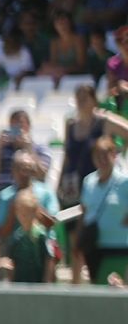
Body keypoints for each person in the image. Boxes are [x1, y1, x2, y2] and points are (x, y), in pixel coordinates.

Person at [59, 84, 105, 276]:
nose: (81, 101)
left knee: (93, 233)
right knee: (74, 238)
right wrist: (59, 183)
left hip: (96, 186)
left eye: (85, 97)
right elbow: (67, 156)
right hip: (72, 186)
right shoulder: (70, 124)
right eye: (78, 97)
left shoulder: (103, 122)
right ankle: (76, 282)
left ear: (94, 99)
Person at [80, 135, 128, 283]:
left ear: (113, 155)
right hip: (94, 247)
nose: (101, 160)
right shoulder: (88, 181)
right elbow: (84, 211)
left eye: (105, 155)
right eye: (97, 156)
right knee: (98, 292)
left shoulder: (124, 182)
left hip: (119, 247)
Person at [0, 150, 61, 247]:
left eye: (29, 169)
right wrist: (13, 209)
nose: (25, 174)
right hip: (15, 250)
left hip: (42, 246)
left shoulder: (46, 192)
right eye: (22, 169)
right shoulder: (5, 196)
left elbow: (52, 223)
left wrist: (33, 206)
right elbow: (1, 233)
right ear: (13, 171)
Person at [0, 110, 52, 210]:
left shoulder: (40, 149)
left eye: (21, 125)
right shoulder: (2, 150)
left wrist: (29, 148)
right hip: (4, 196)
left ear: (29, 127)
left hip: (30, 196)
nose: (18, 129)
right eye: (14, 126)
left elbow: (42, 175)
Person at [6, 190, 58, 282]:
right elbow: (12, 262)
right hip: (20, 283)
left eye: (27, 214)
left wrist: (46, 283)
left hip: (37, 284)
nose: (23, 217)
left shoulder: (40, 236)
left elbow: (49, 260)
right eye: (21, 213)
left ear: (34, 213)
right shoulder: (17, 237)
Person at [38, 12, 89, 83]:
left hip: (76, 76)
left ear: (70, 23)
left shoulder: (79, 40)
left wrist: (65, 70)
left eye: (64, 22)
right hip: (60, 74)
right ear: (54, 26)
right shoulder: (54, 42)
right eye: (58, 23)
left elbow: (81, 65)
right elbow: (54, 62)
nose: (62, 26)